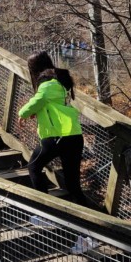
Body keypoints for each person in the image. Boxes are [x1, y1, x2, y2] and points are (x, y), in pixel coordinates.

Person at [18, 51, 88, 206]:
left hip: (56, 137)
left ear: (34, 69)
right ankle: (92, 220)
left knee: (34, 167)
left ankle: (46, 210)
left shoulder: (47, 84)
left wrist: (22, 113)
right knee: (72, 184)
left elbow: (39, 100)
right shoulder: (61, 82)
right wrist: (38, 112)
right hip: (74, 136)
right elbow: (52, 105)